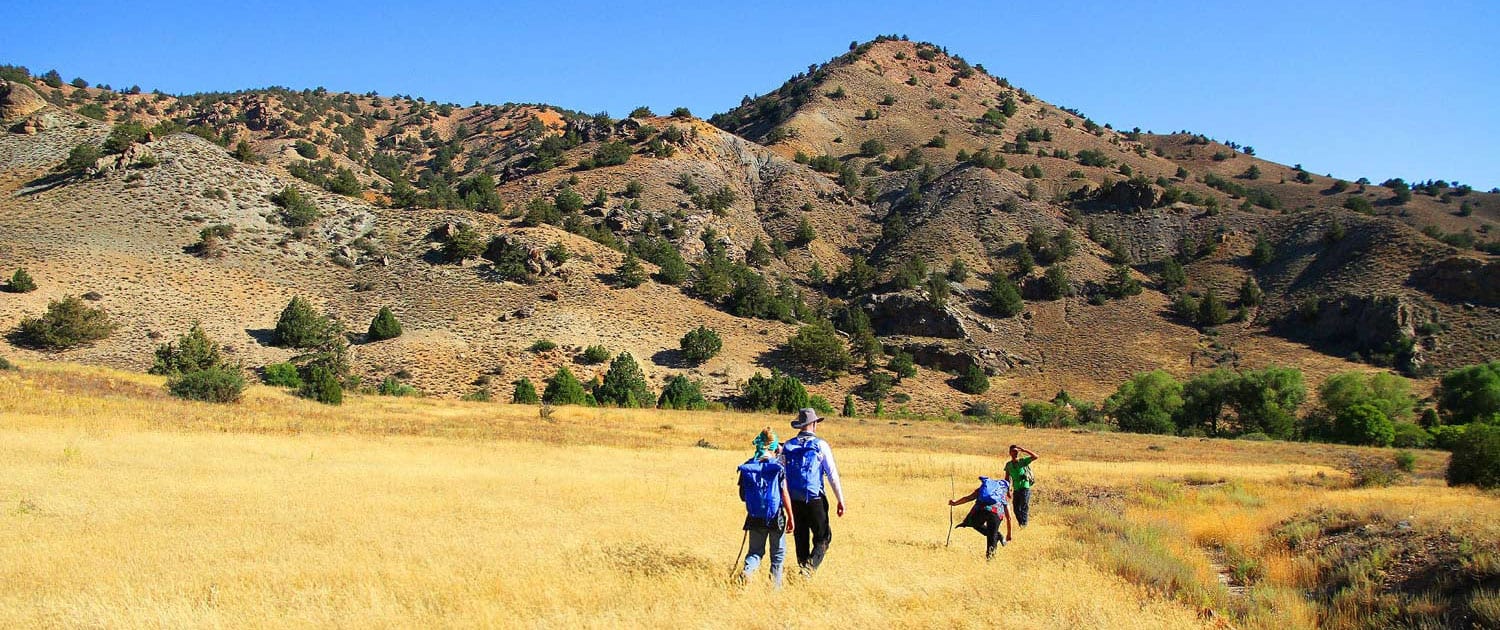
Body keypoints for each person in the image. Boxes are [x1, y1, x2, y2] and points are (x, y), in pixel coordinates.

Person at [781, 408, 845, 576]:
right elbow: (832, 474)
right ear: (813, 424)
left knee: (800, 537)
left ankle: (803, 568)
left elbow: (781, 475)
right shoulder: (820, 445)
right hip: (815, 498)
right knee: (823, 537)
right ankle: (808, 570)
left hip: (794, 499)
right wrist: (840, 499)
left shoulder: (787, 446)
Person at [737, 427, 794, 586]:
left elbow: (742, 496)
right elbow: (784, 493)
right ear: (775, 447)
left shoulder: (749, 465)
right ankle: (774, 589)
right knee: (777, 554)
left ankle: (747, 572)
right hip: (776, 516)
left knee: (755, 552)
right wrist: (791, 516)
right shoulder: (777, 466)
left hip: (755, 516)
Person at [949, 476, 1013, 559]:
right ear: (1009, 489)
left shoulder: (984, 489)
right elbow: (1009, 517)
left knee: (974, 523)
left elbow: (968, 498)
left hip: (982, 510)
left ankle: (998, 536)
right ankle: (990, 559)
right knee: (992, 536)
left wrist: (955, 503)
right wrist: (1009, 534)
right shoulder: (1002, 493)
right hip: (996, 513)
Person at [1004, 445, 1039, 527]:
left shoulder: (1022, 461)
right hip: (1016, 488)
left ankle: (1024, 525)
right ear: (1010, 453)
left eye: (1016, 451)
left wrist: (1025, 450)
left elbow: (1035, 456)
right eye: (1013, 451)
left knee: (1024, 505)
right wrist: (1008, 490)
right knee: (1016, 508)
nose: (1015, 453)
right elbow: (1007, 479)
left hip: (1025, 487)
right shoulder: (1008, 465)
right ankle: (1021, 523)